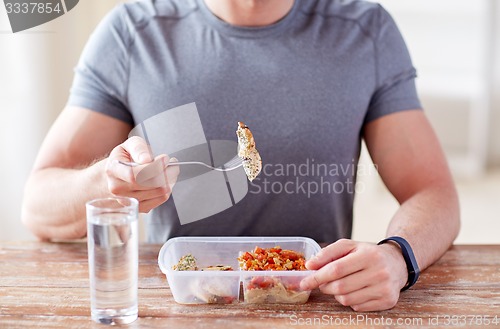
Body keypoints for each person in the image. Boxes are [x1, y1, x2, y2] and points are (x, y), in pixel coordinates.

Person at [21, 0, 460, 312]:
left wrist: (397, 256)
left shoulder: (366, 31)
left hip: (313, 305)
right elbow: (39, 206)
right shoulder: (132, 33)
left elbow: (434, 192)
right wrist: (107, 182)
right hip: (177, 307)